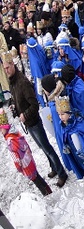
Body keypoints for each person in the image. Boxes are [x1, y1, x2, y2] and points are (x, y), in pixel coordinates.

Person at [4, 50, 68, 187]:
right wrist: (13, 106)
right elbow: (16, 98)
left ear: (12, 65)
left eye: (8, 67)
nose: (6, 70)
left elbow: (34, 105)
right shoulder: (12, 82)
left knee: (47, 147)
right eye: (4, 68)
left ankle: (62, 173)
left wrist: (24, 114)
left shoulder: (22, 82)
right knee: (42, 147)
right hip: (28, 123)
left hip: (33, 122)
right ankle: (54, 168)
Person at [0, 107, 52, 195]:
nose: (1, 132)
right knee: (37, 176)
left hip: (25, 165)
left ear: (5, 128)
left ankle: (46, 194)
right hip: (30, 160)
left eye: (1, 129)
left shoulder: (10, 142)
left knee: (36, 181)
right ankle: (49, 190)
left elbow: (16, 159)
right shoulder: (16, 134)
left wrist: (19, 168)